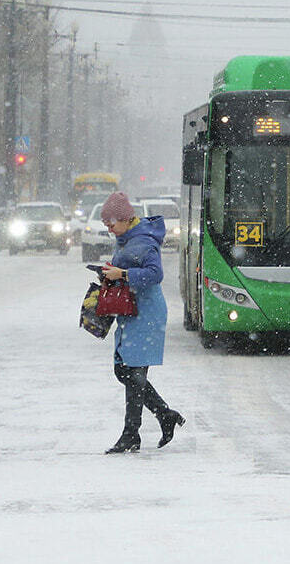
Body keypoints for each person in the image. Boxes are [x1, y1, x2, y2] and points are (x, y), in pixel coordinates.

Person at [99, 192, 184, 454]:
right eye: (106, 226)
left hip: (146, 312)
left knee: (134, 374)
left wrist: (122, 273)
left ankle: (131, 434)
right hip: (131, 310)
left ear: (125, 219)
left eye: (112, 224)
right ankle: (164, 415)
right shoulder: (125, 238)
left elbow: (155, 274)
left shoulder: (145, 240)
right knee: (124, 371)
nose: (109, 229)